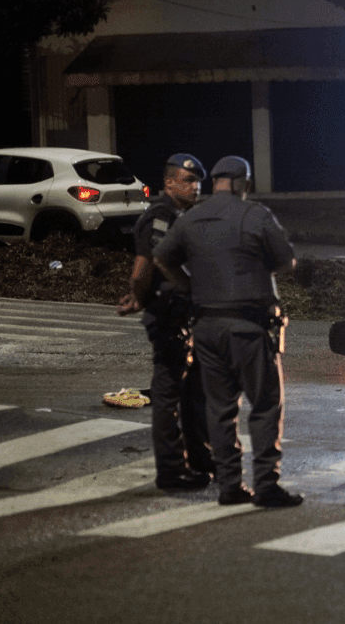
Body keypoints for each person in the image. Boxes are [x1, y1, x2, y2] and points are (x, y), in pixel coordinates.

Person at [153, 155, 302, 508]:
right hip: (248, 328)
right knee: (265, 405)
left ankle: (229, 486)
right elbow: (286, 261)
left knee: (220, 408)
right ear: (241, 183)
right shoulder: (255, 215)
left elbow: (161, 258)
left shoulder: (189, 219)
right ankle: (266, 485)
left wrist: (188, 286)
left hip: (206, 328)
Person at [117, 153, 213, 490]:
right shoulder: (161, 215)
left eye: (197, 181)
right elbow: (149, 262)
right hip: (168, 315)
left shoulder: (179, 216)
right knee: (169, 393)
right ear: (169, 182)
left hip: (180, 315)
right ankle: (172, 471)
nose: (194, 187)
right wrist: (139, 295)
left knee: (189, 392)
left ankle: (199, 460)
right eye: (187, 180)